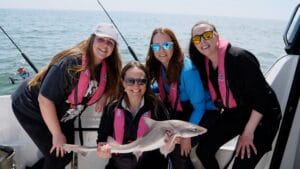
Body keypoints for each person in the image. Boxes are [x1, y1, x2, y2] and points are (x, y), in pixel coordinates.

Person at [11, 23, 122, 169]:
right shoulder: (71, 63)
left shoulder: (107, 68)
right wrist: (57, 134)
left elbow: (119, 83)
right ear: (92, 40)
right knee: (58, 157)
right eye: (101, 39)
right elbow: (44, 100)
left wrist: (105, 94)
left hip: (64, 112)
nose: (105, 45)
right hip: (31, 105)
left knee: (66, 154)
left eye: (110, 42)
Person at [188, 21, 282, 169]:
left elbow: (262, 97)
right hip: (237, 112)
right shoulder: (205, 63)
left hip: (263, 116)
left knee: (242, 162)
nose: (203, 41)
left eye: (207, 35)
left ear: (217, 36)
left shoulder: (239, 58)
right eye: (197, 39)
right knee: (203, 150)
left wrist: (248, 133)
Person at [145, 27, 216, 169]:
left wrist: (186, 137)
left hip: (203, 112)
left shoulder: (188, 71)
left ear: (174, 46)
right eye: (156, 46)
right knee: (159, 140)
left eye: (166, 45)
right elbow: (166, 88)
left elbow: (200, 106)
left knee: (178, 150)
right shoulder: (161, 66)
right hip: (181, 110)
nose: (161, 51)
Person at [96, 60, 169, 169]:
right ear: (123, 82)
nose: (136, 86)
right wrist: (102, 149)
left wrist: (170, 143)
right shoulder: (112, 108)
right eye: (130, 81)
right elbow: (102, 137)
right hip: (117, 166)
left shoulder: (157, 108)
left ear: (147, 83)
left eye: (141, 81)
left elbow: (166, 143)